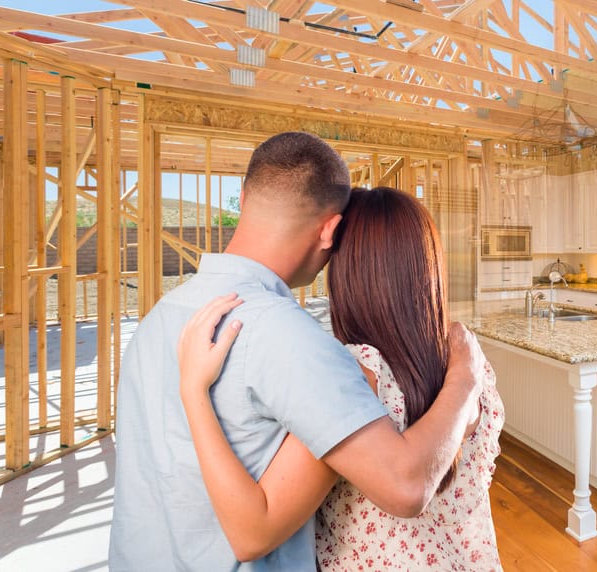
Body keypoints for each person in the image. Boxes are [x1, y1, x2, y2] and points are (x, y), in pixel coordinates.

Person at [109, 133, 486, 571]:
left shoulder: (161, 316)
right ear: (330, 230)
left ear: (245, 196)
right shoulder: (291, 338)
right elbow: (405, 487)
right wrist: (466, 377)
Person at [178, 187, 504, 570]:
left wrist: (193, 390)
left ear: (347, 273)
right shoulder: (466, 358)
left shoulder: (356, 375)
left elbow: (254, 533)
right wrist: (464, 378)